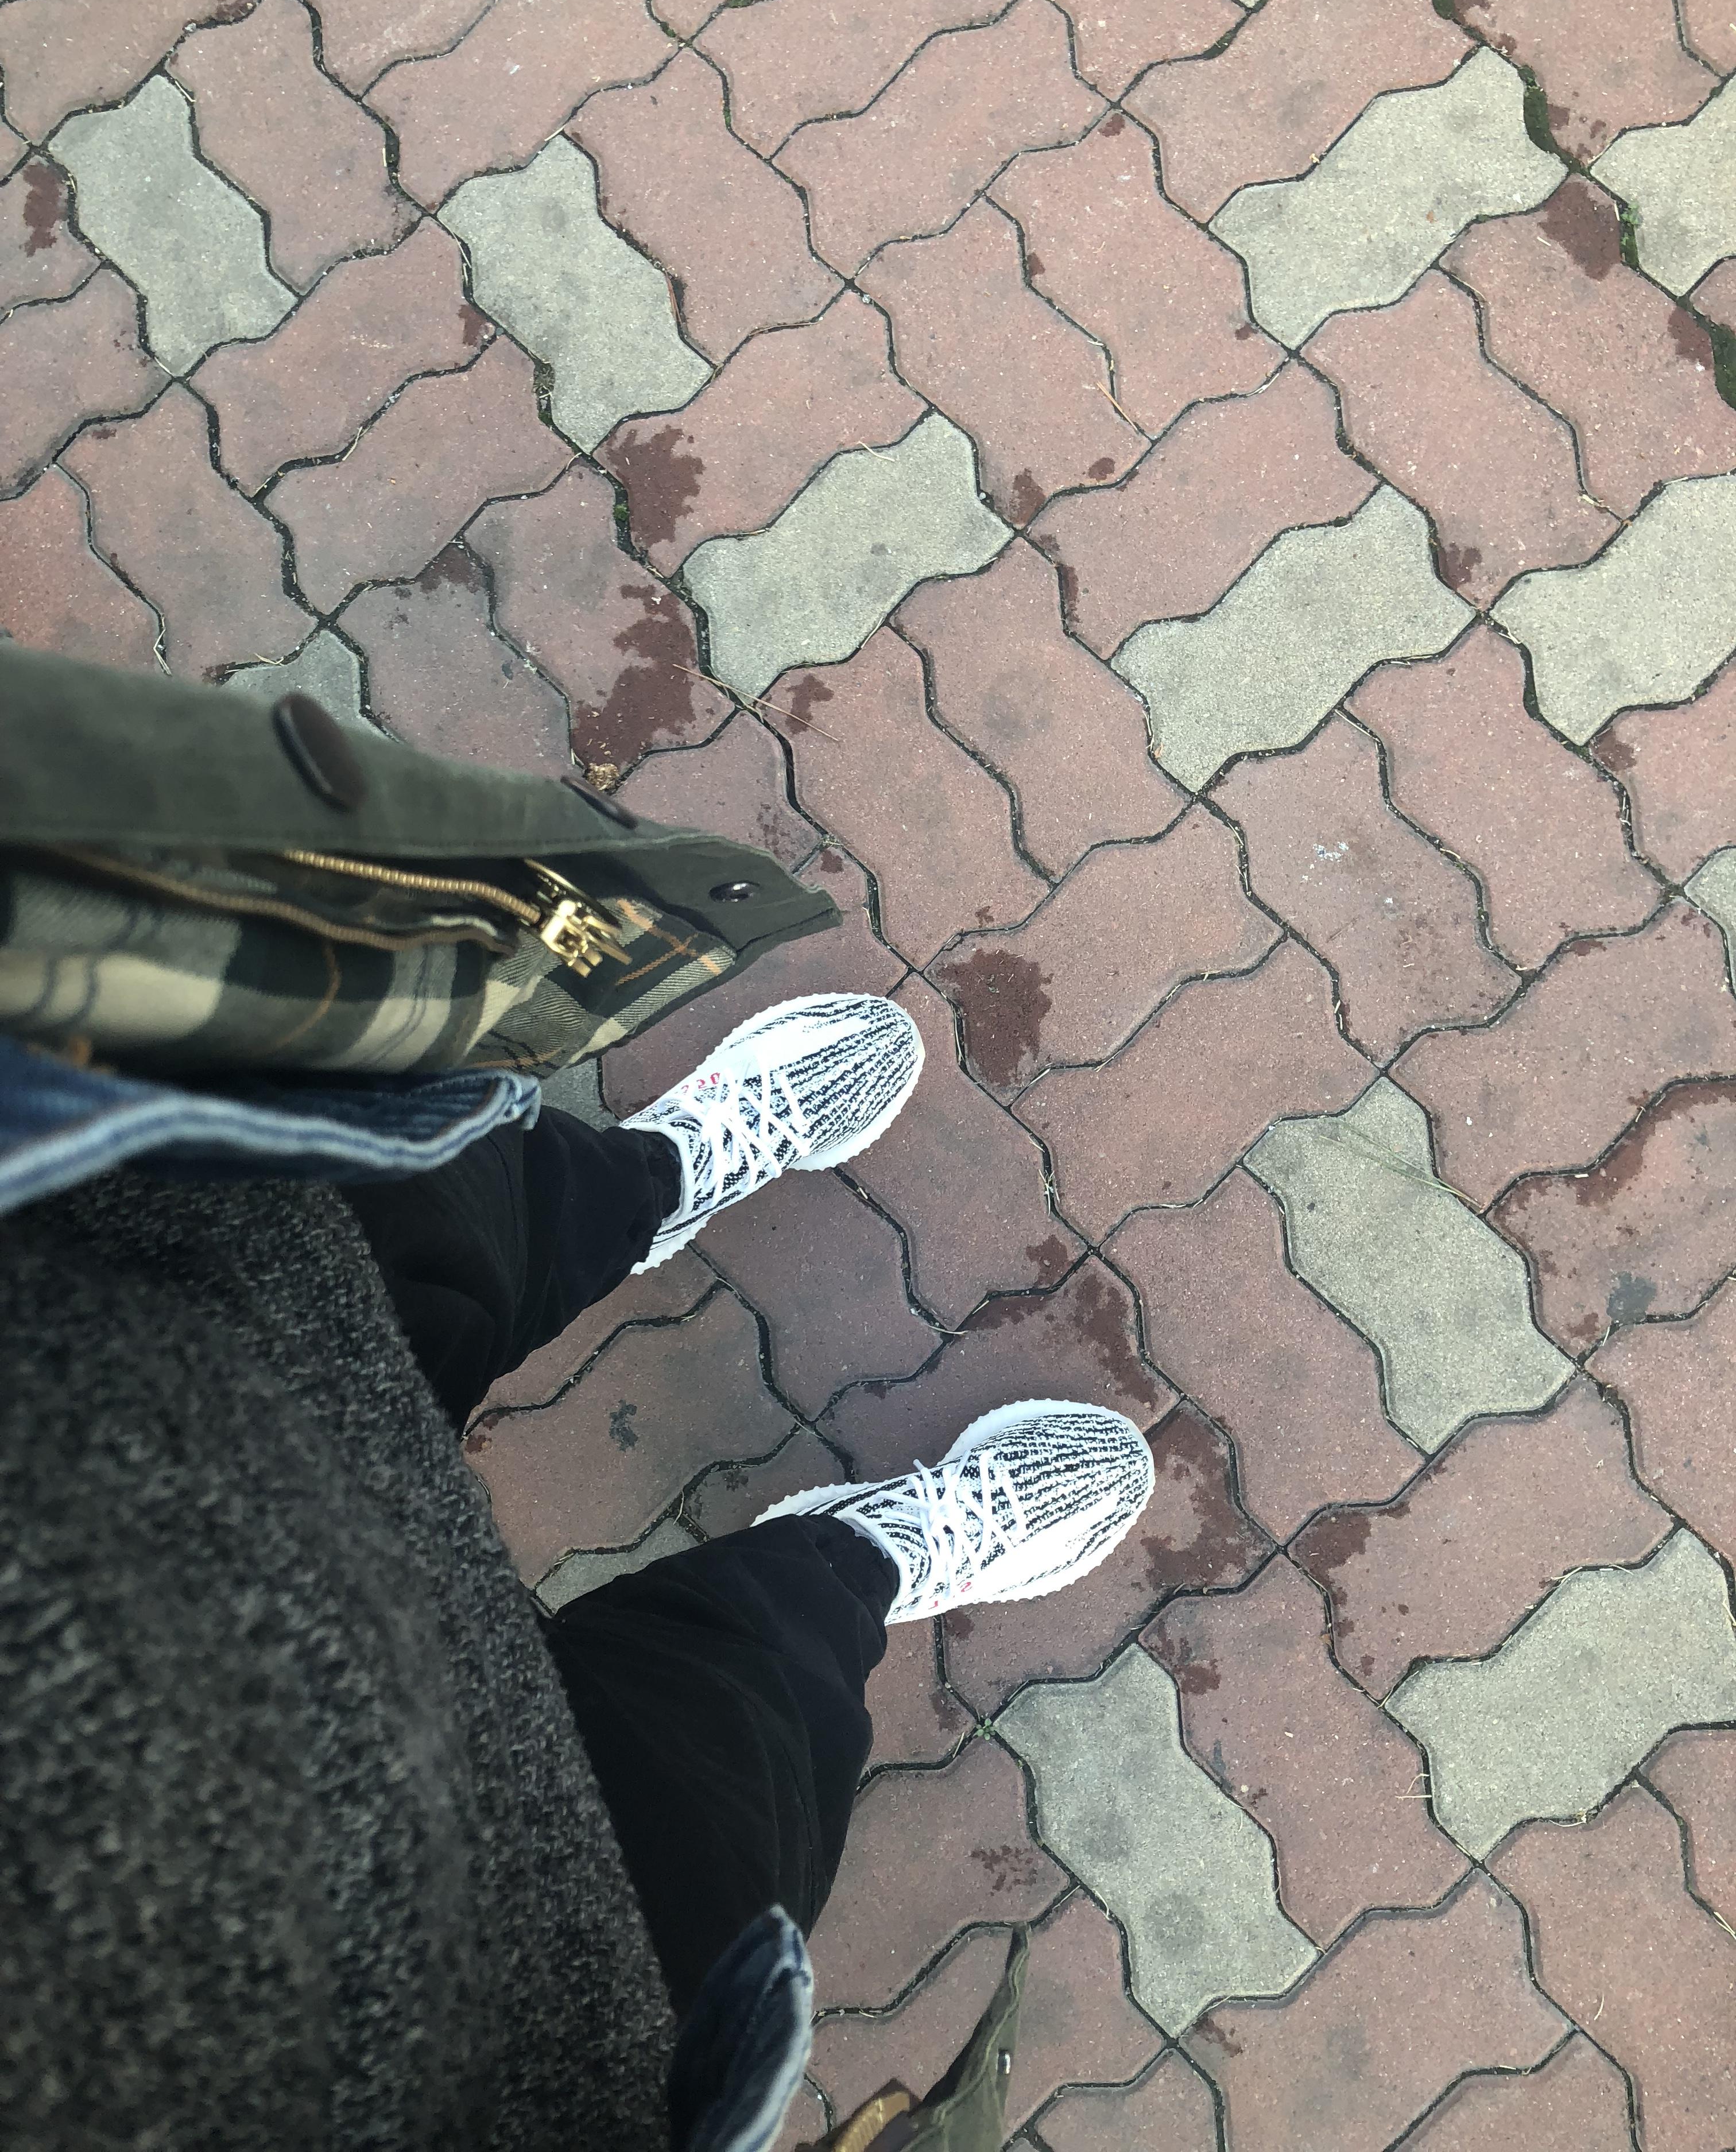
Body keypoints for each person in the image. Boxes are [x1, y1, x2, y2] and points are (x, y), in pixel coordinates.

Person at [1, 647, 1155, 2152]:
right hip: (507, 2058)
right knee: (731, 1740)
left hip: (111, 1373)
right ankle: (857, 1557)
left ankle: (654, 1178)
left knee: (418, 1239)